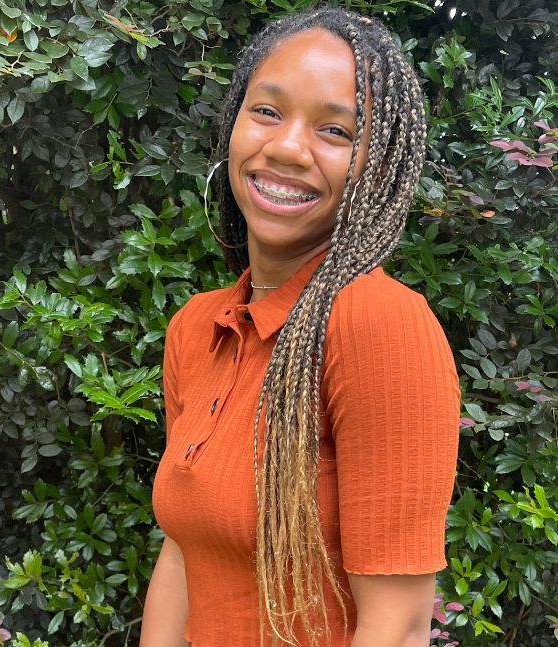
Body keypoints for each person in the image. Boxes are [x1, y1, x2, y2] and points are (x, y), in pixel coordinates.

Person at [140, 7, 460, 647]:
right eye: (267, 111)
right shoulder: (198, 328)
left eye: (335, 130)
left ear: (378, 166)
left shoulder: (377, 323)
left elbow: (396, 627)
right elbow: (183, 553)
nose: (287, 147)